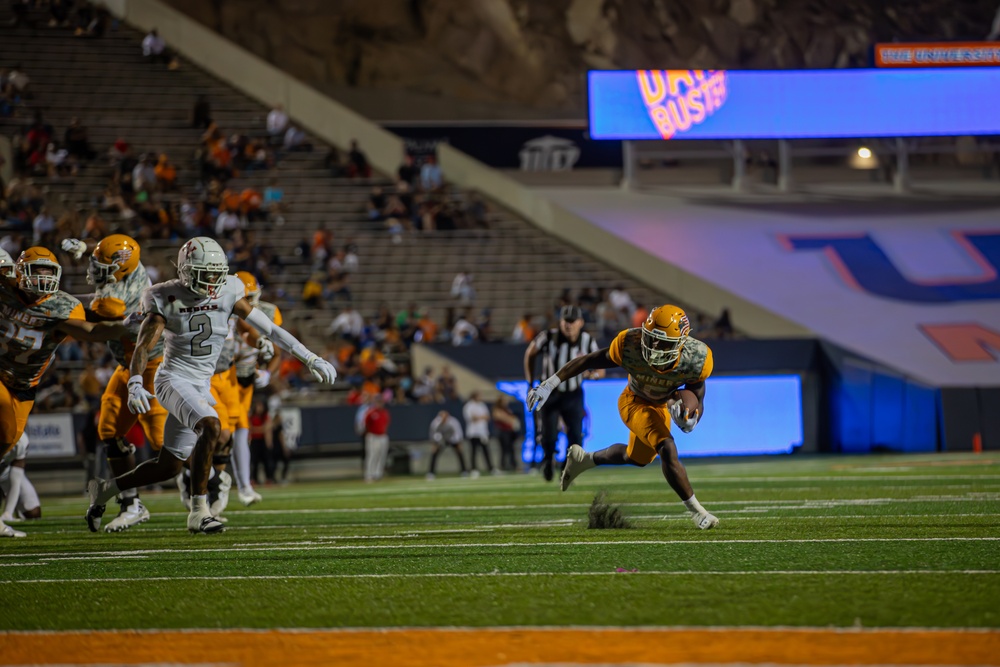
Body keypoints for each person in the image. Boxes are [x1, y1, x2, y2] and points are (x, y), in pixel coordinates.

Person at [83, 237, 336, 534]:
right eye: (207, 273)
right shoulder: (164, 296)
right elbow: (143, 344)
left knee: (169, 467)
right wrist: (137, 381)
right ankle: (199, 511)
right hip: (173, 379)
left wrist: (310, 357)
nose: (214, 280)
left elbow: (270, 329)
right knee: (212, 427)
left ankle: (104, 489)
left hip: (200, 383)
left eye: (218, 273)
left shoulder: (229, 290)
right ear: (187, 272)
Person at [527, 305, 719, 530]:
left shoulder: (697, 358)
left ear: (681, 342)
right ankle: (698, 513)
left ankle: (585, 459)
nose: (654, 346)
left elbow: (697, 396)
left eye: (662, 342)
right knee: (667, 447)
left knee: (637, 458)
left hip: (658, 407)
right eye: (651, 338)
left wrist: (691, 418)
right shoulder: (630, 344)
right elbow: (589, 360)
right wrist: (550, 383)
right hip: (634, 401)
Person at [1, 247, 130, 538]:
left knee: (8, 442)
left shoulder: (60, 305)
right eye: (38, 270)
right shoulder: (5, 287)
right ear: (20, 272)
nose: (44, 277)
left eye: (49, 271)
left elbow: (91, 331)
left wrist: (127, 327)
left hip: (23, 385)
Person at [61, 234, 167, 532]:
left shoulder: (125, 297)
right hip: (128, 364)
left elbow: (95, 322)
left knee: (163, 446)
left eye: (102, 268)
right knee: (109, 429)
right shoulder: (126, 269)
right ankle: (132, 504)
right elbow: (110, 264)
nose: (95, 272)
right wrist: (84, 252)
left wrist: (55, 310)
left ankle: (203, 484)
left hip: (153, 365)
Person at [523, 305, 601, 482]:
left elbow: (600, 367)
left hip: (573, 393)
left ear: (580, 323)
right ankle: (548, 460)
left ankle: (570, 468)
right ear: (560, 322)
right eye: (566, 321)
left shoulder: (587, 341)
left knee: (575, 434)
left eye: (572, 321)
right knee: (549, 434)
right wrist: (529, 382)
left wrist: (594, 374)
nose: (569, 325)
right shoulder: (548, 337)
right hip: (550, 394)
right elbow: (530, 353)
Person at [231, 271, 282, 505]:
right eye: (245, 298)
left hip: (246, 381)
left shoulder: (268, 312)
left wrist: (267, 371)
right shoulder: (225, 314)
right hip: (222, 377)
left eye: (252, 297)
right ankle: (229, 484)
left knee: (240, 432)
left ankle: (242, 485)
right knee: (227, 433)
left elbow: (277, 352)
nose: (250, 304)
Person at [1, 434, 41, 525]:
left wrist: (8, 513)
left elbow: (15, 478)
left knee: (34, 513)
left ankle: (11, 512)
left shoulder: (21, 441)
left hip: (5, 474)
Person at [426, 410, 467, 480]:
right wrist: (436, 443)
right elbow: (433, 434)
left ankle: (464, 471)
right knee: (434, 453)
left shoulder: (454, 421)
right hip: (441, 440)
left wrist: (458, 442)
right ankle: (431, 473)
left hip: (452, 439)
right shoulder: (435, 422)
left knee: (459, 452)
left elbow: (458, 433)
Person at [463, 391, 496, 477]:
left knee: (486, 451)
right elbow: (472, 418)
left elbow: (487, 417)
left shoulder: (482, 405)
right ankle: (473, 469)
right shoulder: (468, 406)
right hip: (473, 433)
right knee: (473, 452)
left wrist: (479, 417)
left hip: (483, 432)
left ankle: (491, 468)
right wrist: (481, 417)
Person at [363, 395, 390, 482]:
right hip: (373, 436)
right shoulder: (371, 412)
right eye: (378, 402)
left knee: (382, 455)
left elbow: (387, 423)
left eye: (381, 402)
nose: (380, 404)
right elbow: (366, 424)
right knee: (372, 455)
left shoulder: (385, 412)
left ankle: (378, 474)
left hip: (383, 436)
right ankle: (369, 474)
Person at [492, 395, 521, 472]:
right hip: (502, 432)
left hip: (509, 431)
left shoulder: (507, 409)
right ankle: (502, 466)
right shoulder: (497, 409)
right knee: (504, 450)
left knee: (511, 449)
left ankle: (513, 465)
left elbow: (513, 419)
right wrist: (509, 419)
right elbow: (501, 417)